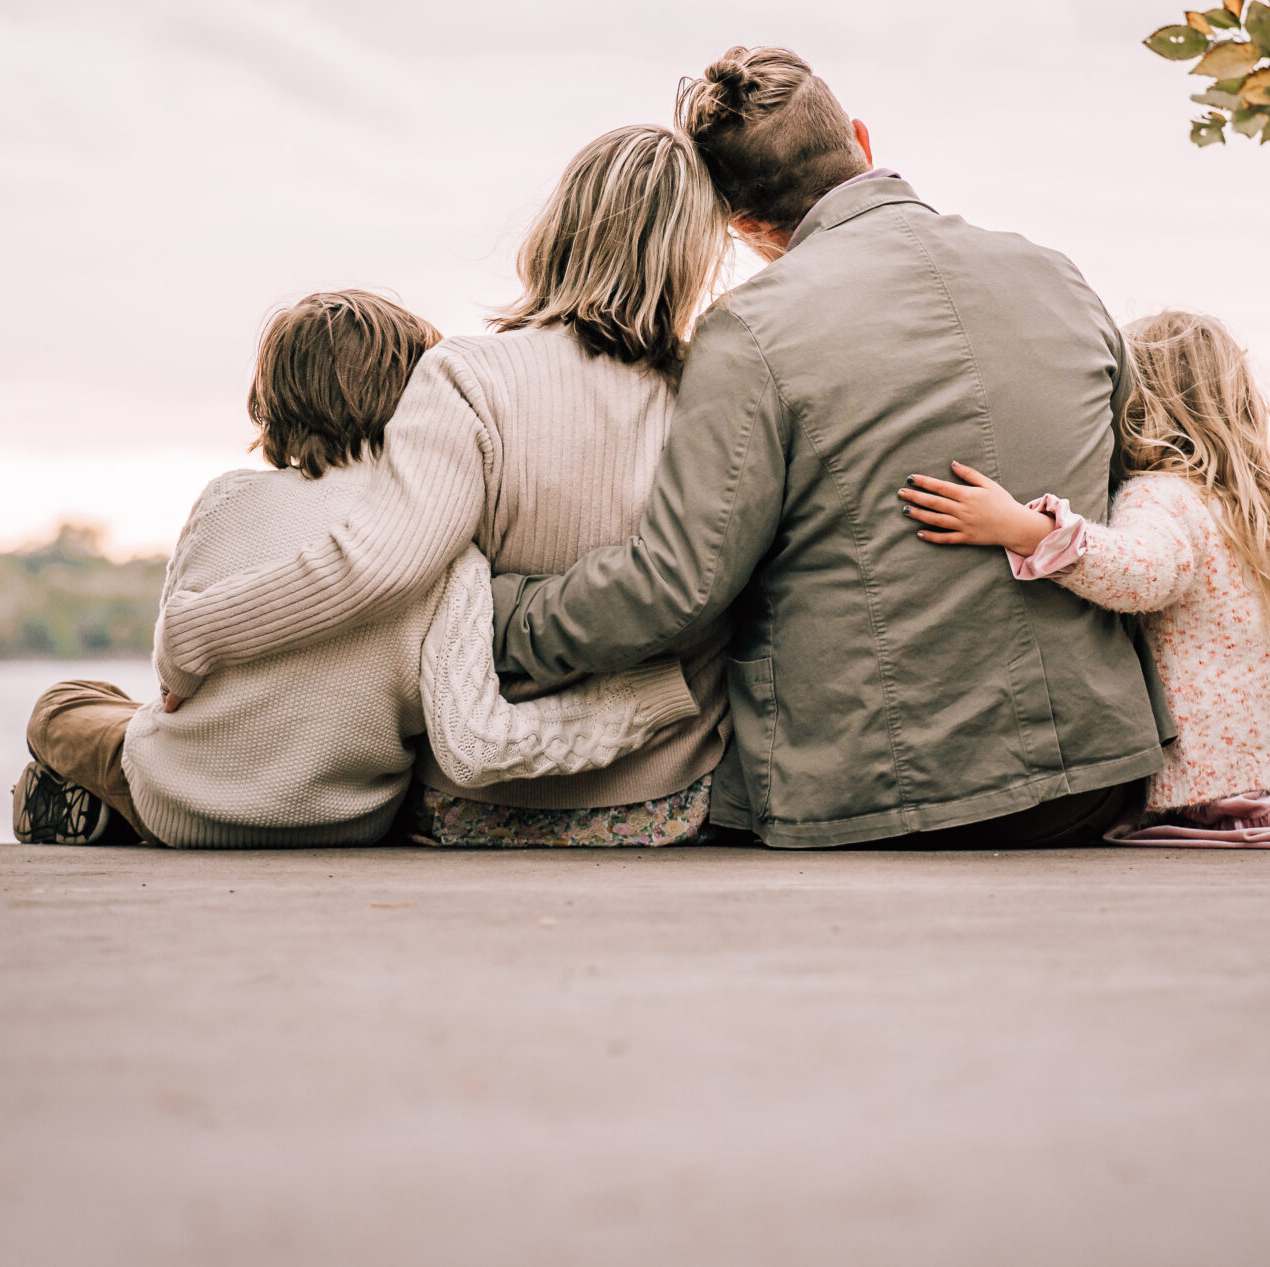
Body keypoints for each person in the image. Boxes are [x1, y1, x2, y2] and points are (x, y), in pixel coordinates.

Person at [481, 46, 1173, 849]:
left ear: (741, 226)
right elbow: (1134, 495)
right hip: (1095, 778)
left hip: (872, 798)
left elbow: (677, 582)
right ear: (862, 139)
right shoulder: (1060, 276)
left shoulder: (749, 327)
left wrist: (498, 616)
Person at [151, 124, 737, 846]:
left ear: (560, 227)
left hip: (472, 810)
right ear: (697, 256)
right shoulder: (717, 398)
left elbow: (376, 564)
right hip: (667, 804)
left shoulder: (468, 376)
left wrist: (194, 629)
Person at [12, 290, 696, 848]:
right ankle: (104, 804)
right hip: (343, 820)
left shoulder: (226, 498)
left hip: (180, 803)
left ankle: (100, 804)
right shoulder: (445, 556)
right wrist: (643, 706)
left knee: (66, 704)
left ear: (269, 398)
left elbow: (173, 686)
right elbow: (477, 746)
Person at [897, 310, 1270, 848]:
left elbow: (1141, 573)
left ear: (1135, 405)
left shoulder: (1164, 496)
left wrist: (1023, 529)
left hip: (1235, 783)